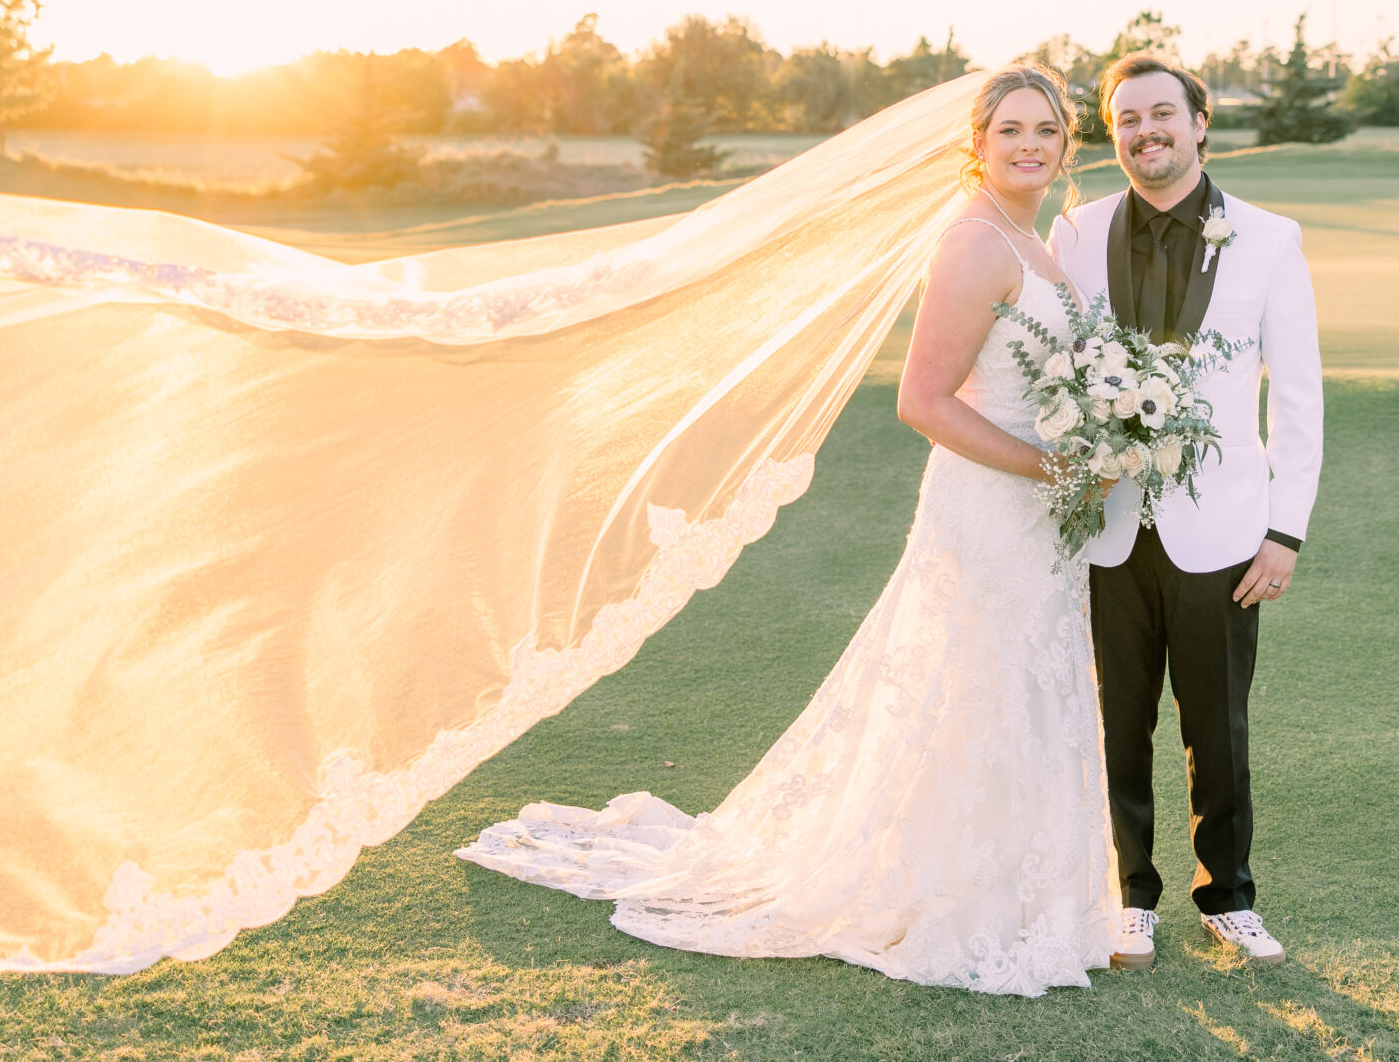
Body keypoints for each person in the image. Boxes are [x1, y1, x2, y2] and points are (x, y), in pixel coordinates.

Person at [457, 65, 1123, 996]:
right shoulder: (974, 241)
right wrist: (1051, 467)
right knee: (979, 684)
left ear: (1066, 143)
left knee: (1024, 685)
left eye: (1046, 129)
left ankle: (1029, 901)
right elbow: (922, 401)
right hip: (990, 504)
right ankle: (955, 900)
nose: (1029, 144)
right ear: (974, 143)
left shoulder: (1041, 239)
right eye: (1009, 128)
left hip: (1042, 515)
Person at [1049, 52, 1323, 970]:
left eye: (1162, 114)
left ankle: (1230, 897)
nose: (1145, 133)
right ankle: (1128, 895)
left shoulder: (1270, 238)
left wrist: (1285, 532)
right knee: (1114, 722)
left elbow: (1299, 399)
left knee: (1219, 728)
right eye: (1126, 120)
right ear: (1114, 134)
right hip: (1108, 529)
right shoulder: (1075, 235)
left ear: (1201, 122)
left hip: (1225, 533)